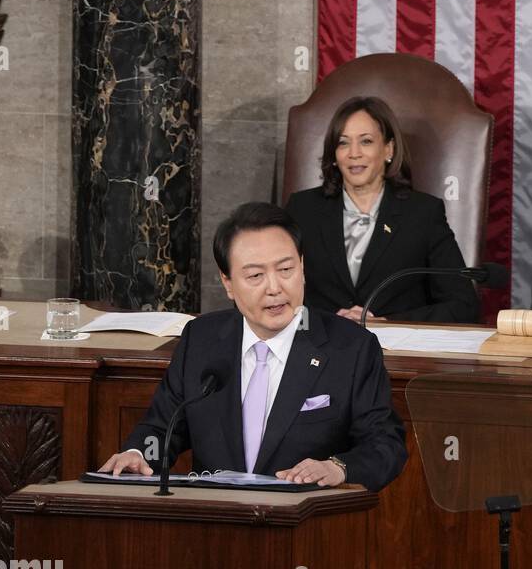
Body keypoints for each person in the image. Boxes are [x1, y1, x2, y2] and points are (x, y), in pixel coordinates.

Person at [100, 202, 407, 491]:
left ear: (302, 266)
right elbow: (162, 427)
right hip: (217, 526)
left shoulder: (351, 347)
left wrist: (338, 467)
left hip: (306, 528)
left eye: (286, 270)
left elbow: (385, 445)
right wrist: (138, 453)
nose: (274, 288)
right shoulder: (201, 340)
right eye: (256, 275)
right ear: (228, 283)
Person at [285, 96, 479, 324]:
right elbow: (277, 294)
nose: (353, 153)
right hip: (319, 346)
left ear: (388, 149)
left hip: (394, 351)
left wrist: (389, 323)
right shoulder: (302, 208)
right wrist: (320, 322)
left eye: (366, 141)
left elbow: (463, 305)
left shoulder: (423, 213)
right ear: (334, 155)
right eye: (343, 142)